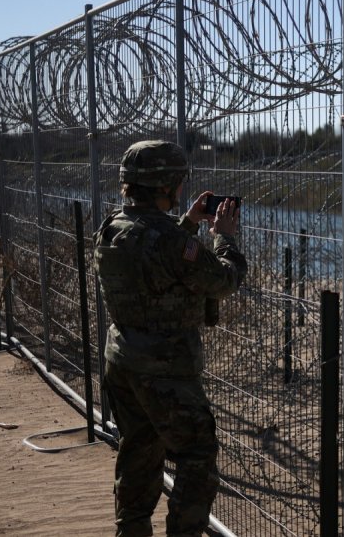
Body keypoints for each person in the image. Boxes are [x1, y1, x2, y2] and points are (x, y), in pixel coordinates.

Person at [94, 140, 247, 537]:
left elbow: (154, 257)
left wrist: (190, 224)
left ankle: (131, 529)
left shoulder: (113, 227)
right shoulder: (171, 241)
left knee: (139, 447)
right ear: (169, 185)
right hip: (165, 371)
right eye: (179, 182)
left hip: (122, 360)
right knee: (197, 457)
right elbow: (224, 279)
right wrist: (225, 237)